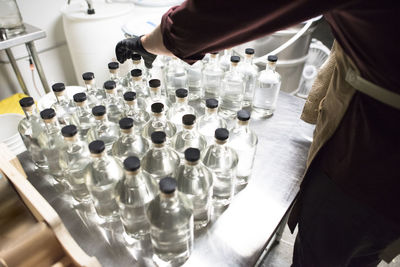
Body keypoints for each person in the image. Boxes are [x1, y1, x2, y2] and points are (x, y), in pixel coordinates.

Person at [115, 1, 400, 266]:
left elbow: (220, 10)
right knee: (361, 252)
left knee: (331, 250)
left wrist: (149, 43)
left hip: (366, 156)